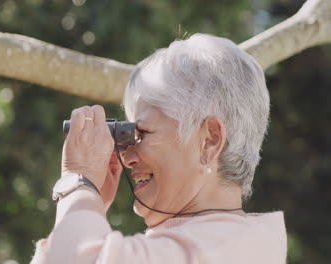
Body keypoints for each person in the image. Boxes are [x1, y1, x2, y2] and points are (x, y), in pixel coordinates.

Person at [31, 34, 287, 263]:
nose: (127, 157)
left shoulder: (218, 250)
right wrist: (90, 203)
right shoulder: (229, 243)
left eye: (141, 133)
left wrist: (79, 181)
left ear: (209, 139)